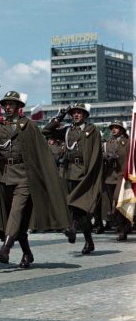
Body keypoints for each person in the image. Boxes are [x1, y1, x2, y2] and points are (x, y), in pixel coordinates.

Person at [0, 91, 70, 268]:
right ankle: (27, 253)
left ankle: (6, 248)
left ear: (19, 107)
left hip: (24, 176)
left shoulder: (29, 126)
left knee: (16, 212)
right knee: (18, 219)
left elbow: (40, 150)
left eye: (11, 104)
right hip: (4, 177)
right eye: (5, 104)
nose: (8, 107)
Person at [42, 102, 103, 254]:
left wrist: (91, 173)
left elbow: (96, 152)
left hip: (84, 172)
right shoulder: (68, 131)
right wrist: (60, 116)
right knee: (77, 208)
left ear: (85, 115)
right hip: (69, 172)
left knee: (77, 204)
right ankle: (88, 242)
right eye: (74, 113)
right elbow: (46, 130)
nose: (76, 115)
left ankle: (73, 228)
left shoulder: (92, 130)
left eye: (79, 112)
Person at [102, 120, 131, 241]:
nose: (113, 129)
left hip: (122, 176)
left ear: (122, 130)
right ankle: (121, 228)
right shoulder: (107, 143)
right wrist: (106, 156)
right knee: (115, 205)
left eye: (117, 127)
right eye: (112, 128)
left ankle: (126, 225)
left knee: (117, 202)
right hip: (110, 176)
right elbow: (101, 155)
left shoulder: (127, 143)